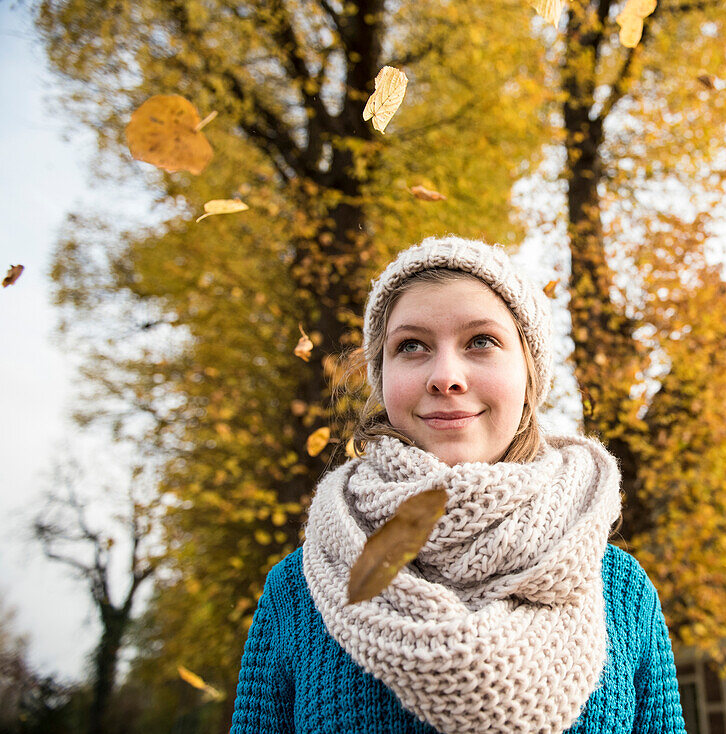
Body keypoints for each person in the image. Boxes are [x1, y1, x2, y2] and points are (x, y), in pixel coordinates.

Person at [230, 236, 686, 734]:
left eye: (481, 342)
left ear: (530, 376)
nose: (446, 376)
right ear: (382, 378)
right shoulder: (298, 592)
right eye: (412, 346)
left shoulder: (622, 590)